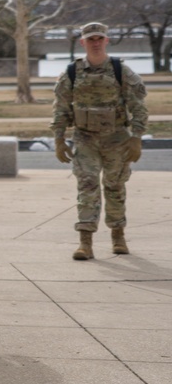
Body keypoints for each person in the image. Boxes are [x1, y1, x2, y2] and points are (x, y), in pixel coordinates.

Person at [50, 22, 148, 260]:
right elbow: (61, 109)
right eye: (90, 39)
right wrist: (59, 139)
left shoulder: (121, 71)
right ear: (83, 42)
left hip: (117, 139)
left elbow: (139, 107)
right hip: (85, 139)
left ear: (106, 41)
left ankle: (118, 236)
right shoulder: (72, 73)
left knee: (115, 186)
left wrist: (136, 137)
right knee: (87, 187)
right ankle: (85, 242)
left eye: (99, 39)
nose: (95, 43)